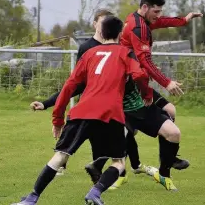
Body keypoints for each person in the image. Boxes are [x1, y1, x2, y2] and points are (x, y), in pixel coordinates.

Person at [12, 16, 153, 205]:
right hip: (110, 114)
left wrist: (58, 120)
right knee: (119, 162)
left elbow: (69, 87)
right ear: (120, 34)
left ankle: (32, 198)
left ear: (101, 33)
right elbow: (140, 75)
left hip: (82, 111)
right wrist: (146, 94)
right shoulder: (125, 53)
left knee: (60, 156)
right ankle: (95, 193)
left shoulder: (90, 54)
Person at [117, 0, 203, 191]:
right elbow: (145, 62)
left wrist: (184, 20)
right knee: (167, 131)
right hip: (134, 87)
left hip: (137, 83)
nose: (158, 15)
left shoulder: (137, 19)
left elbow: (162, 22)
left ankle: (168, 160)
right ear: (145, 7)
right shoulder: (139, 29)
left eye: (159, 11)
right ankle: (158, 162)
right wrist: (166, 82)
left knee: (171, 110)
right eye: (155, 11)